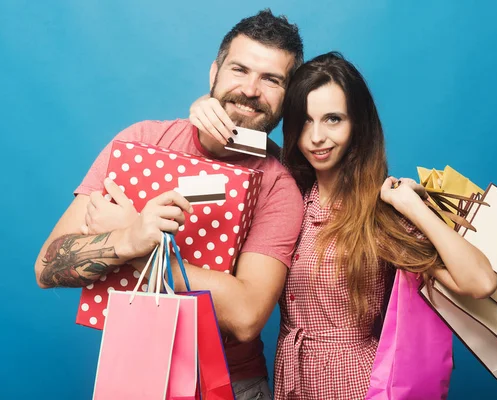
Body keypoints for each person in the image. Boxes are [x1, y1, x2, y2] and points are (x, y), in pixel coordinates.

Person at [34, 9, 304, 399]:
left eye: (271, 80)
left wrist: (148, 251)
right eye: (240, 70)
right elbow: (47, 266)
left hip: (231, 383)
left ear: (287, 95)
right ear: (214, 73)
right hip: (134, 370)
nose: (250, 89)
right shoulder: (142, 142)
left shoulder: (278, 185)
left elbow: (246, 316)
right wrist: (127, 238)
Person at [275, 52, 497, 399]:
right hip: (292, 381)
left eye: (333, 119)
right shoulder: (288, 197)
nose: (316, 136)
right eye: (305, 121)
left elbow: (480, 282)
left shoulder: (379, 212)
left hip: (355, 383)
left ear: (357, 126)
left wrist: (415, 208)